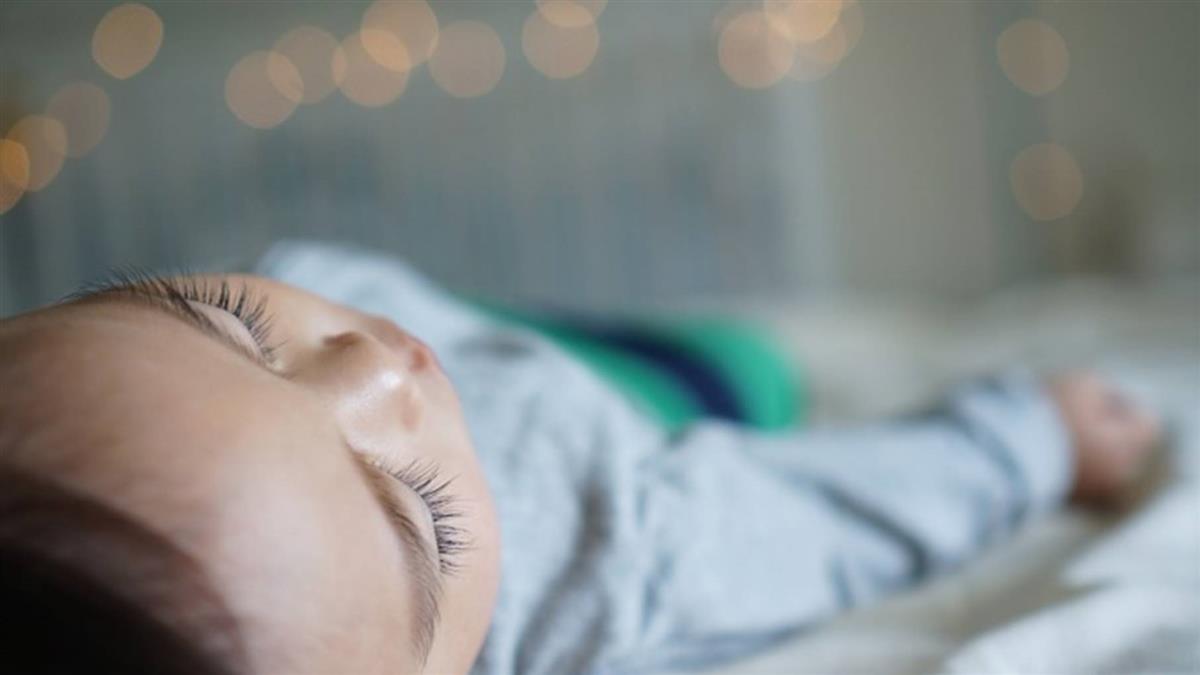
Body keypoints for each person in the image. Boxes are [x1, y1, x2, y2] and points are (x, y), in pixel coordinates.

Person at [0, 241, 1159, 675]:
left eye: (225, 322)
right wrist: (1031, 440)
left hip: (509, 335)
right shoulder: (604, 563)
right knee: (749, 363)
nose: (381, 369)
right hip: (662, 395)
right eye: (416, 513)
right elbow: (818, 522)